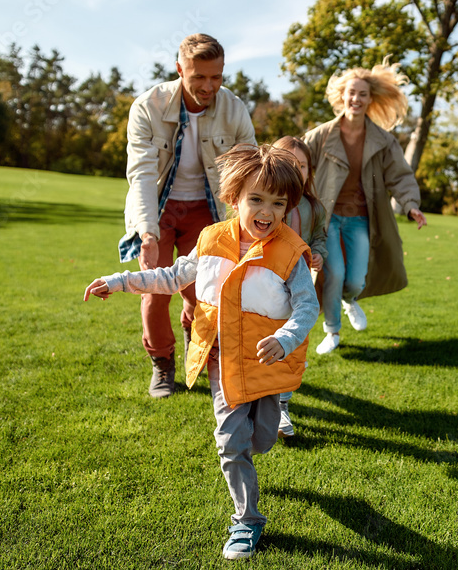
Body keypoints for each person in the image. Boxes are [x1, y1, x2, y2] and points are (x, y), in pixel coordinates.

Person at [85, 144, 317, 560]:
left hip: (267, 366)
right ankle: (247, 522)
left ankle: (260, 437)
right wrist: (120, 280)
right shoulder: (211, 240)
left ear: (287, 208)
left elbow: (307, 307)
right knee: (231, 442)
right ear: (234, 198)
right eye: (257, 199)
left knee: (261, 439)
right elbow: (173, 277)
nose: (267, 211)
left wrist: (284, 339)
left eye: (278, 203)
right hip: (221, 359)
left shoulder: (290, 253)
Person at [118, 33, 256, 398]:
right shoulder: (148, 106)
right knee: (154, 290)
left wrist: (246, 229)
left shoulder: (234, 109)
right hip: (159, 209)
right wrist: (146, 233)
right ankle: (162, 365)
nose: (208, 86)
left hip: (207, 210)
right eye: (198, 77)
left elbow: (248, 172)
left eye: (217, 77)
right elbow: (142, 175)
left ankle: (197, 341)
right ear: (180, 69)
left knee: (202, 293)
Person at [302, 60, 427, 355]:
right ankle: (332, 331)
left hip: (360, 219)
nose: (355, 99)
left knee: (356, 279)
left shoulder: (383, 141)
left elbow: (400, 175)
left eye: (362, 94)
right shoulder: (321, 135)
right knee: (333, 274)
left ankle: (350, 299)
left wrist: (411, 204)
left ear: (371, 100)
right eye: (351, 92)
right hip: (328, 218)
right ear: (341, 95)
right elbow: (298, 164)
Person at [271, 136, 327, 439]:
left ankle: (282, 404)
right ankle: (255, 395)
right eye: (287, 162)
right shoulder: (265, 199)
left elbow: (320, 236)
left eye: (301, 165)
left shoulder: (314, 207)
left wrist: (319, 253)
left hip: (300, 282)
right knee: (263, 335)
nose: (295, 169)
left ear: (309, 171)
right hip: (266, 281)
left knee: (293, 339)